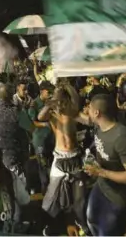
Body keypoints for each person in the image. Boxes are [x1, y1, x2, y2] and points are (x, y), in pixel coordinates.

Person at [80, 94, 126, 236]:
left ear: (97, 113)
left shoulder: (121, 137)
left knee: (107, 232)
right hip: (102, 186)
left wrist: (101, 172)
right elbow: (75, 115)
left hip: (117, 197)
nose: (86, 110)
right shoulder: (99, 126)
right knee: (91, 219)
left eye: (89, 107)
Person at [38, 83, 89, 235]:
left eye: (62, 99)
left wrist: (67, 86)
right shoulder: (52, 113)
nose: (59, 102)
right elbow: (40, 117)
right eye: (57, 99)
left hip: (75, 158)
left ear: (67, 99)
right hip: (59, 159)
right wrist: (49, 105)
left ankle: (81, 224)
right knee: (51, 198)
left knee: (80, 199)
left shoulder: (72, 113)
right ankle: (49, 225)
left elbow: (89, 121)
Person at [28, 80, 55, 193]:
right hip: (40, 140)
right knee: (42, 165)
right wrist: (44, 124)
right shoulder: (34, 104)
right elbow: (31, 122)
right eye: (48, 92)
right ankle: (45, 188)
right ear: (42, 91)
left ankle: (53, 187)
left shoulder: (51, 103)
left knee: (52, 162)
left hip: (51, 138)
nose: (50, 94)